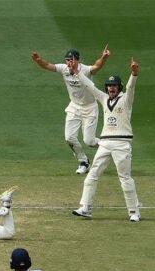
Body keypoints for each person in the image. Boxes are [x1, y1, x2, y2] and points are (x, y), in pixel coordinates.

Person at [72, 58, 142, 222]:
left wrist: (134, 74)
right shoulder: (104, 99)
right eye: (109, 86)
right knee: (92, 175)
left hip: (121, 144)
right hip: (104, 143)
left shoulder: (125, 100)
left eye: (114, 86)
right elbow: (90, 86)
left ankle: (134, 212)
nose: (111, 88)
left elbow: (131, 87)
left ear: (119, 87)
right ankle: (86, 208)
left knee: (125, 178)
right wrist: (76, 72)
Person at [31, 45, 110, 174]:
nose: (69, 63)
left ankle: (109, 146)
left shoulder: (84, 70)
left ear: (78, 60)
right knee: (69, 138)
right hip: (74, 107)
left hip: (89, 108)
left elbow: (97, 66)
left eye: (72, 60)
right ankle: (84, 162)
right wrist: (38, 59)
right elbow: (47, 65)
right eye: (67, 60)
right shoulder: (64, 69)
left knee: (89, 141)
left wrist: (104, 57)